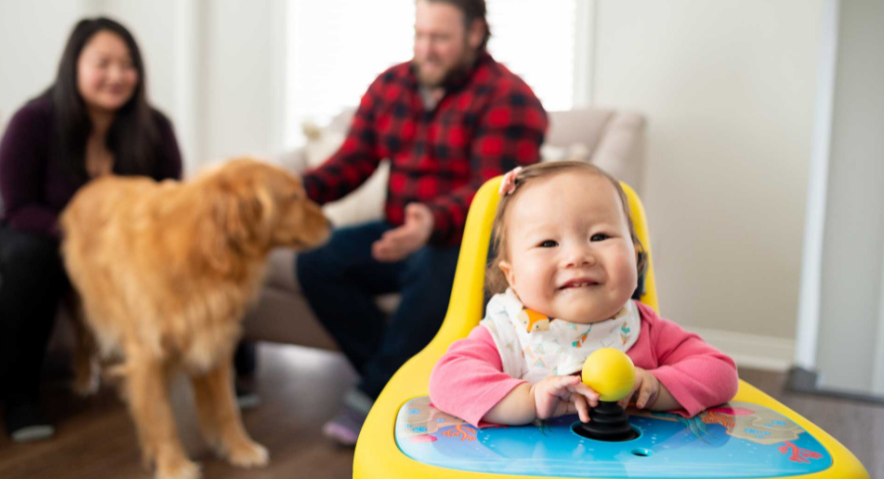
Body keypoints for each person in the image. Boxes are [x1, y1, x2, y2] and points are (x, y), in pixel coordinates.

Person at [296, 0, 548, 445]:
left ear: (475, 34)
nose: (424, 49)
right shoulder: (391, 85)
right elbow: (353, 161)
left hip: (468, 245)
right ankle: (401, 384)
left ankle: (373, 393)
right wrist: (291, 192)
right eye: (419, 35)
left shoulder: (510, 98)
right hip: (397, 234)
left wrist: (431, 220)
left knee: (440, 269)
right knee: (316, 261)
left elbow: (490, 194)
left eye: (439, 38)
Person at [429, 162, 739, 426]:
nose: (578, 256)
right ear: (513, 277)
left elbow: (720, 373)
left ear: (636, 254)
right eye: (548, 243)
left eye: (599, 236)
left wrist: (657, 387)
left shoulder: (645, 328)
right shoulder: (508, 333)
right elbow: (448, 382)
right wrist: (530, 399)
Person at [0, 17, 182, 442]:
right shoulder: (33, 120)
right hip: (41, 234)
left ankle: (225, 369)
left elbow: (171, 200)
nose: (117, 75)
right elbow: (20, 207)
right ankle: (20, 398)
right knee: (29, 258)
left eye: (127, 64)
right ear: (74, 65)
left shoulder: (156, 128)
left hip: (126, 246)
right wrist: (91, 240)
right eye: (103, 63)